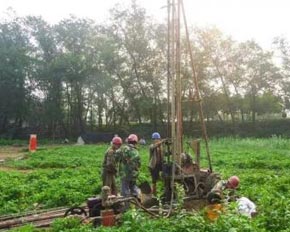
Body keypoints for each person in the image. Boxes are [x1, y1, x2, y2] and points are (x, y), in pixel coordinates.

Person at [119, 134, 141, 198]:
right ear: (136, 142)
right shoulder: (136, 151)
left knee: (125, 189)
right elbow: (139, 164)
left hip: (125, 173)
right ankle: (137, 202)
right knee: (133, 187)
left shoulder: (123, 149)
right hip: (134, 173)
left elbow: (117, 157)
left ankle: (127, 204)